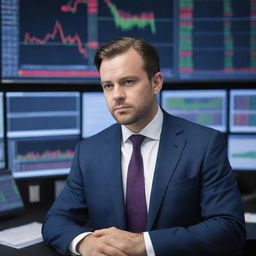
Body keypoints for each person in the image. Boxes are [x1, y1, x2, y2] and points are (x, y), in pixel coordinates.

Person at [42, 37, 246, 256]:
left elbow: (229, 229)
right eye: (108, 86)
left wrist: (144, 244)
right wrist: (84, 243)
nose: (117, 95)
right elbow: (56, 220)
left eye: (128, 82)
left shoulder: (204, 144)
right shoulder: (89, 151)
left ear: (156, 82)